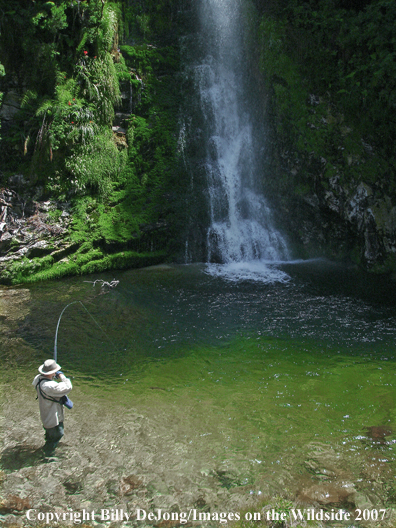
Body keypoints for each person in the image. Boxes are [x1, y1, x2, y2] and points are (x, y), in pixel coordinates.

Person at [32, 359, 73, 456]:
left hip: (45, 413)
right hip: (53, 417)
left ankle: (48, 443)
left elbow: (50, 385)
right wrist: (61, 376)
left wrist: (52, 376)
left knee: (50, 433)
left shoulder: (38, 379)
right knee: (58, 434)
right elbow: (68, 387)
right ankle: (48, 454)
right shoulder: (50, 386)